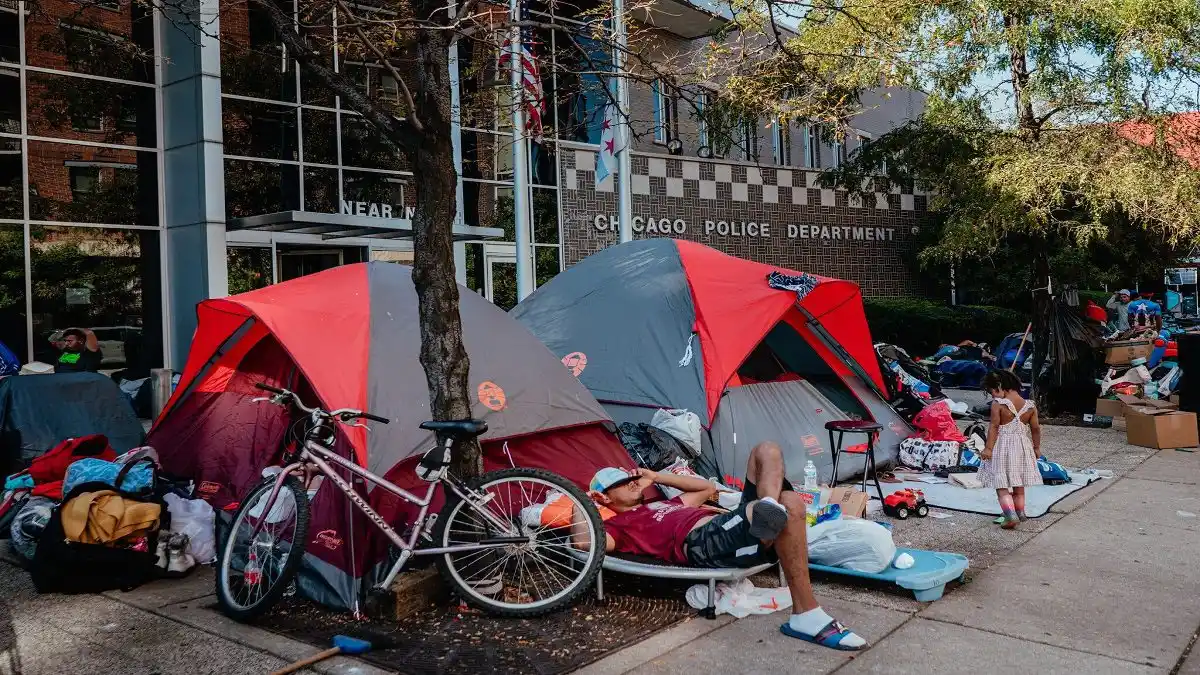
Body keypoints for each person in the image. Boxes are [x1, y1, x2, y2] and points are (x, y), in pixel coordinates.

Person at [576, 442, 867, 651]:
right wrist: (582, 500)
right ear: (604, 498)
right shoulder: (614, 527)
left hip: (729, 528)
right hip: (704, 544)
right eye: (621, 482)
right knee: (789, 503)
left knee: (766, 451)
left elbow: (705, 489)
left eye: (629, 477)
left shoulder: (663, 503)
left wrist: (655, 477)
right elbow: (583, 542)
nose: (630, 482)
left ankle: (767, 509)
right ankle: (806, 611)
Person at [979, 370, 1042, 529]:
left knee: (1001, 485)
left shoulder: (998, 405)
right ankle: (1020, 512)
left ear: (1000, 386)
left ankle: (1010, 515)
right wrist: (1036, 447)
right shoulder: (1030, 406)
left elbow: (994, 427)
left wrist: (988, 448)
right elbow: (1035, 429)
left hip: (1002, 447)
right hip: (1022, 446)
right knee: (1018, 485)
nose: (993, 396)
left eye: (992, 391)